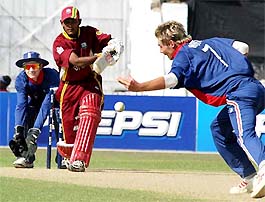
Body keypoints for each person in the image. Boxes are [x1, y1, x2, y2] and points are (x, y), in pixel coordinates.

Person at [118, 21, 265, 199]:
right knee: (219, 129)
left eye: (161, 46)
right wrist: (232, 66)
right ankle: (249, 176)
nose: (161, 51)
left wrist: (140, 87)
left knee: (244, 134)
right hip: (255, 88)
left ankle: (263, 169)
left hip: (238, 93)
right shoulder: (211, 42)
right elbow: (243, 47)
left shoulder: (183, 55)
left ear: (171, 43)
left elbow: (172, 80)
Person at [53, 6, 123, 172]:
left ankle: (80, 160)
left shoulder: (89, 33)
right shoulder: (59, 43)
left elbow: (109, 42)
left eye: (73, 21)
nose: (70, 25)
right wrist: (100, 56)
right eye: (67, 22)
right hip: (68, 87)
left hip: (89, 81)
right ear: (61, 23)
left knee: (90, 113)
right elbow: (76, 61)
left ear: (79, 22)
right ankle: (70, 156)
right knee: (69, 136)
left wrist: (114, 46)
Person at [9, 51, 60, 168]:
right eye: (28, 66)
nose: (31, 70)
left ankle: (62, 157)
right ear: (24, 68)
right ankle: (26, 158)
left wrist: (35, 131)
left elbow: (47, 104)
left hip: (55, 102)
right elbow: (21, 105)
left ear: (41, 66)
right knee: (27, 116)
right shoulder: (21, 80)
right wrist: (18, 130)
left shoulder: (52, 76)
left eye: (35, 66)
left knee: (59, 119)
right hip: (35, 102)